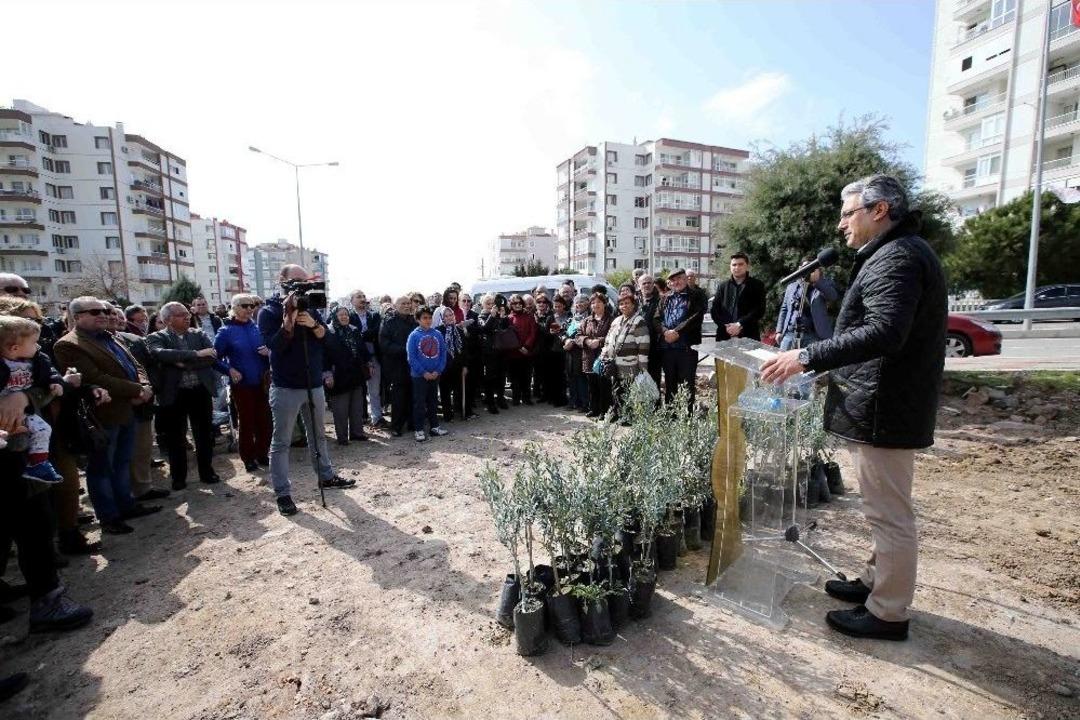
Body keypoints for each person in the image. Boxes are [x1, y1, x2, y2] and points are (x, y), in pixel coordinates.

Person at [761, 174, 947, 642]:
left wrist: (805, 356)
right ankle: (873, 583)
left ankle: (888, 612)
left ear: (878, 210)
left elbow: (885, 332)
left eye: (848, 213)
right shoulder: (894, 252)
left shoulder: (898, 257)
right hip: (882, 404)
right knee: (879, 509)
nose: (841, 224)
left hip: (887, 408)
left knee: (890, 514)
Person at [54, 297, 162, 534]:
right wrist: (136, 390)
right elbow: (94, 377)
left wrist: (144, 386)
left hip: (127, 410)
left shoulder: (112, 336)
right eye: (95, 312)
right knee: (101, 468)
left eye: (104, 310)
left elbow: (136, 365)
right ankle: (109, 516)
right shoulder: (69, 344)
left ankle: (126, 505)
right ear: (77, 317)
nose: (103, 314)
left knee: (123, 462)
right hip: (101, 415)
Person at [259, 265, 355, 517]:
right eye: (296, 282)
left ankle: (326, 476)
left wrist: (313, 324)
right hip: (285, 387)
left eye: (305, 282)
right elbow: (275, 346)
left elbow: (329, 341)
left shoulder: (312, 307)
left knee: (319, 436)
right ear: (282, 281)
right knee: (281, 443)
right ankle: (283, 493)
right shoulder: (268, 311)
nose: (301, 287)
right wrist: (288, 319)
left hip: (314, 385)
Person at [145, 302, 224, 490]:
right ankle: (178, 477)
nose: (187, 317)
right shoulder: (156, 338)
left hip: (199, 391)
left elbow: (212, 356)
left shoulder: (198, 334)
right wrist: (196, 354)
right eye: (181, 315)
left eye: (187, 314)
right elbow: (162, 355)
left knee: (204, 435)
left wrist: (184, 363)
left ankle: (207, 472)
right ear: (168, 320)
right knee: (176, 438)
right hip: (174, 394)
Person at [113, 308, 169, 503]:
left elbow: (146, 367)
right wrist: (133, 392)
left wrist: (145, 388)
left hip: (143, 402)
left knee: (142, 448)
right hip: (116, 404)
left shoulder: (133, 339)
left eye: (119, 316)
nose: (116, 319)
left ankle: (143, 488)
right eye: (112, 315)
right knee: (120, 454)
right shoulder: (87, 343)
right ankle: (124, 495)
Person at [0, 316, 65, 484]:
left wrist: (55, 382)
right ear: (14, 348)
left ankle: (38, 463)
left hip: (25, 411)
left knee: (43, 429)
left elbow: (50, 372)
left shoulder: (37, 360)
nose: (38, 346)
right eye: (34, 342)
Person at [215, 293, 272, 471]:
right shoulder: (226, 331)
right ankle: (248, 457)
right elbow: (214, 358)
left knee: (265, 421)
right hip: (242, 385)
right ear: (234, 307)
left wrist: (269, 352)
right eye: (244, 305)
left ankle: (262, 453)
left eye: (252, 306)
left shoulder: (257, 328)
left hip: (262, 383)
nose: (249, 309)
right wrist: (229, 370)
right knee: (246, 422)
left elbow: (270, 351)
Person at [655, 268, 706, 408]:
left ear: (685, 279)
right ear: (669, 283)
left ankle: (686, 419)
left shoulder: (696, 295)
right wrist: (665, 332)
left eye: (679, 278)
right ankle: (671, 417)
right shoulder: (665, 297)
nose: (676, 282)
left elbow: (696, 317)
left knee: (687, 384)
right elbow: (656, 318)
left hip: (686, 348)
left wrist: (676, 332)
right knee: (670, 383)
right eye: (673, 280)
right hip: (667, 348)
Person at [324, 306, 370, 445]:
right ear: (334, 316)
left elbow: (362, 349)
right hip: (338, 375)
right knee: (340, 409)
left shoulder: (354, 330)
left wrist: (369, 363)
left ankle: (357, 433)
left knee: (357, 406)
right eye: (341, 315)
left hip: (355, 373)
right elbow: (324, 356)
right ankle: (342, 437)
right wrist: (327, 374)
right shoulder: (328, 332)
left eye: (346, 314)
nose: (344, 317)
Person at [601, 291, 650, 420]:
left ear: (633, 305)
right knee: (616, 390)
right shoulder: (616, 320)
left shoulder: (639, 321)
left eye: (627, 303)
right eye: (621, 304)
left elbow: (643, 346)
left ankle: (627, 417)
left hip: (630, 364)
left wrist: (643, 369)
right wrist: (604, 355)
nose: (624, 306)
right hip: (614, 364)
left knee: (628, 391)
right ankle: (617, 414)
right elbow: (608, 340)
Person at [406, 306, 448, 442]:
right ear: (418, 319)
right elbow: (411, 357)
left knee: (433, 401)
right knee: (419, 402)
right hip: (419, 376)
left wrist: (438, 370)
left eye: (430, 317)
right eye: (424, 318)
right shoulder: (413, 336)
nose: (428, 320)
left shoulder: (437, 334)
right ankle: (419, 429)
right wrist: (423, 372)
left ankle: (434, 426)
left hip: (435, 375)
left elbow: (443, 354)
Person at [776, 260, 838, 350]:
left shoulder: (823, 284)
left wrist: (817, 281)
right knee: (782, 362)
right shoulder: (791, 287)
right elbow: (784, 309)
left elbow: (833, 296)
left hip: (813, 336)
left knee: (810, 363)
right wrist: (779, 331)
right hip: (790, 334)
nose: (807, 271)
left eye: (810, 268)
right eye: (804, 268)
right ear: (799, 269)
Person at [379, 296, 418, 437]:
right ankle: (396, 426)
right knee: (398, 397)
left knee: (412, 395)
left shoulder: (414, 321)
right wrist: (405, 349)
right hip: (396, 365)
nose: (407, 306)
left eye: (409, 303)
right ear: (396, 306)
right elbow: (384, 344)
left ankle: (412, 423)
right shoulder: (388, 322)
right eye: (403, 304)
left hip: (413, 365)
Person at [348, 290, 385, 430]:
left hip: (374, 356)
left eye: (363, 296)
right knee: (358, 390)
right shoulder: (348, 316)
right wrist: (362, 335)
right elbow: (351, 335)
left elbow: (375, 332)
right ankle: (360, 418)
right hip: (355, 358)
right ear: (352, 301)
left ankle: (377, 417)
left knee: (374, 389)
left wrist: (360, 335)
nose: (362, 299)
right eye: (359, 297)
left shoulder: (374, 315)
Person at [572, 293, 613, 419]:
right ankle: (593, 408)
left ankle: (604, 411)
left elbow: (613, 336)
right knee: (592, 385)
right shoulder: (587, 320)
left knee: (604, 385)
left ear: (605, 303)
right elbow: (577, 336)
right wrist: (587, 341)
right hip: (589, 357)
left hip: (604, 357)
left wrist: (599, 341)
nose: (596, 305)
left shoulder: (611, 319)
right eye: (593, 303)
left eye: (599, 302)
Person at [710, 253, 766, 342]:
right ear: (730, 267)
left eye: (740, 264)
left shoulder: (757, 285)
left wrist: (740, 324)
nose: (737, 267)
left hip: (748, 336)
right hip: (724, 336)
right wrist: (726, 326)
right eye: (734, 265)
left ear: (747, 266)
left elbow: (759, 310)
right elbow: (715, 310)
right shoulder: (723, 286)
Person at [477, 294, 509, 414]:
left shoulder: (497, 316)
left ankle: (500, 398)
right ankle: (490, 402)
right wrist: (492, 316)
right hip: (489, 353)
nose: (491, 306)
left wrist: (503, 316)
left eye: (492, 303)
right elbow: (484, 328)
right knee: (490, 378)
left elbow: (506, 328)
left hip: (501, 350)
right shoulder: (481, 316)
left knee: (501, 376)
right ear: (483, 305)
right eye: (488, 303)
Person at [434, 306, 465, 422]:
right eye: (446, 316)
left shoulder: (459, 330)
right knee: (445, 391)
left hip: (457, 365)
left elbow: (463, 349)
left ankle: (460, 411)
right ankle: (447, 414)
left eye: (451, 315)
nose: (449, 318)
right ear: (442, 318)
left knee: (458, 389)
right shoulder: (438, 331)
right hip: (444, 366)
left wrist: (464, 365)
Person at [505, 294, 537, 406]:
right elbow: (508, 336)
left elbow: (532, 333)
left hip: (526, 353)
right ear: (511, 305)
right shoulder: (508, 318)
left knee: (526, 377)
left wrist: (526, 346)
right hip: (513, 353)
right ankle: (516, 398)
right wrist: (518, 347)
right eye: (514, 303)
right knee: (514, 378)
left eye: (519, 303)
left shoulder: (529, 316)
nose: (517, 305)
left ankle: (527, 398)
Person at [562, 295, 590, 412]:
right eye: (577, 302)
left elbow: (589, 334)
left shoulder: (589, 318)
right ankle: (572, 401)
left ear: (588, 303)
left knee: (581, 379)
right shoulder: (571, 318)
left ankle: (583, 404)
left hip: (582, 352)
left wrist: (574, 341)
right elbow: (562, 332)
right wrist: (565, 340)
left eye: (582, 302)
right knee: (571, 378)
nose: (579, 304)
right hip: (570, 353)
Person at [636, 274, 663, 391]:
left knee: (653, 380)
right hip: (636, 348)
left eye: (649, 283)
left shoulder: (661, 300)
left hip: (654, 348)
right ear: (639, 286)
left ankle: (655, 409)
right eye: (644, 283)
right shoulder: (634, 302)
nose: (647, 285)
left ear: (653, 285)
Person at [544, 294, 571, 407]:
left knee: (564, 376)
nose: (557, 308)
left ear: (564, 305)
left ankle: (563, 398)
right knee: (554, 375)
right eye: (555, 306)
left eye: (559, 306)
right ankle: (554, 398)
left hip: (566, 349)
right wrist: (550, 334)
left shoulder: (569, 316)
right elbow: (545, 335)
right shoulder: (550, 317)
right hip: (554, 351)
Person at [459, 293, 482, 417]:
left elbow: (479, 330)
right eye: (464, 300)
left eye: (469, 301)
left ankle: (468, 408)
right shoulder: (454, 314)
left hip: (473, 353)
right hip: (460, 354)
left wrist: (468, 330)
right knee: (461, 384)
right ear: (459, 302)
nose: (467, 303)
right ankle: (461, 408)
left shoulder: (475, 315)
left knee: (471, 382)